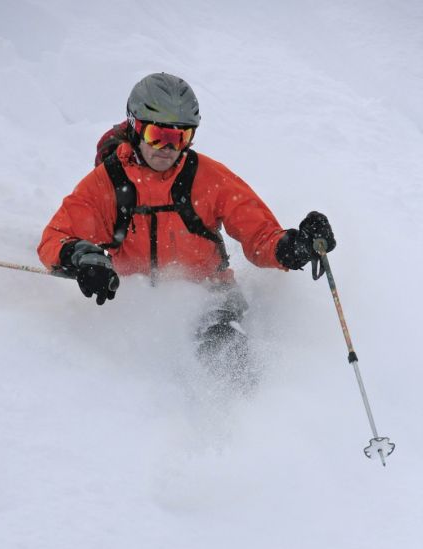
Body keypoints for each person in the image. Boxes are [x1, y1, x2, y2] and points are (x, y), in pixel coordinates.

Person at [38, 72, 335, 388]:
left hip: (211, 298)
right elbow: (56, 238)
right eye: (158, 135)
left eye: (180, 138)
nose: (168, 148)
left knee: (228, 361)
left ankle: (246, 425)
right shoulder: (107, 183)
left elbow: (260, 236)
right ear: (135, 128)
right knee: (132, 380)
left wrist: (295, 246)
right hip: (134, 303)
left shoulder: (208, 177)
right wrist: (80, 257)